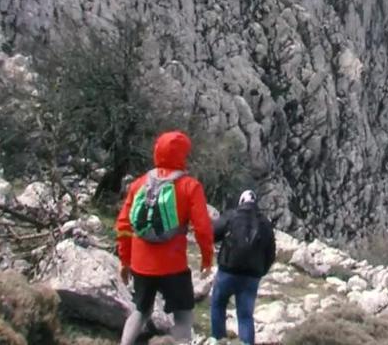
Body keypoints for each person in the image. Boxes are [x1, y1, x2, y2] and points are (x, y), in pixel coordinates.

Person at [116, 130, 214, 344]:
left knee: (141, 311)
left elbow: (123, 225)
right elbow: (203, 228)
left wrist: (125, 261)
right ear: (182, 156)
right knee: (183, 316)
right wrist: (207, 258)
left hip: (141, 264)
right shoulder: (190, 186)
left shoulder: (140, 183)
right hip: (173, 266)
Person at [210, 190, 276, 345]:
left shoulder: (231, 216)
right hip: (251, 277)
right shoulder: (265, 223)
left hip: (228, 271)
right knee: (245, 315)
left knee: (218, 304)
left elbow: (212, 234)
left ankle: (218, 340)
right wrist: (260, 272)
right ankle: (246, 342)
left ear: (241, 201)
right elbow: (271, 254)